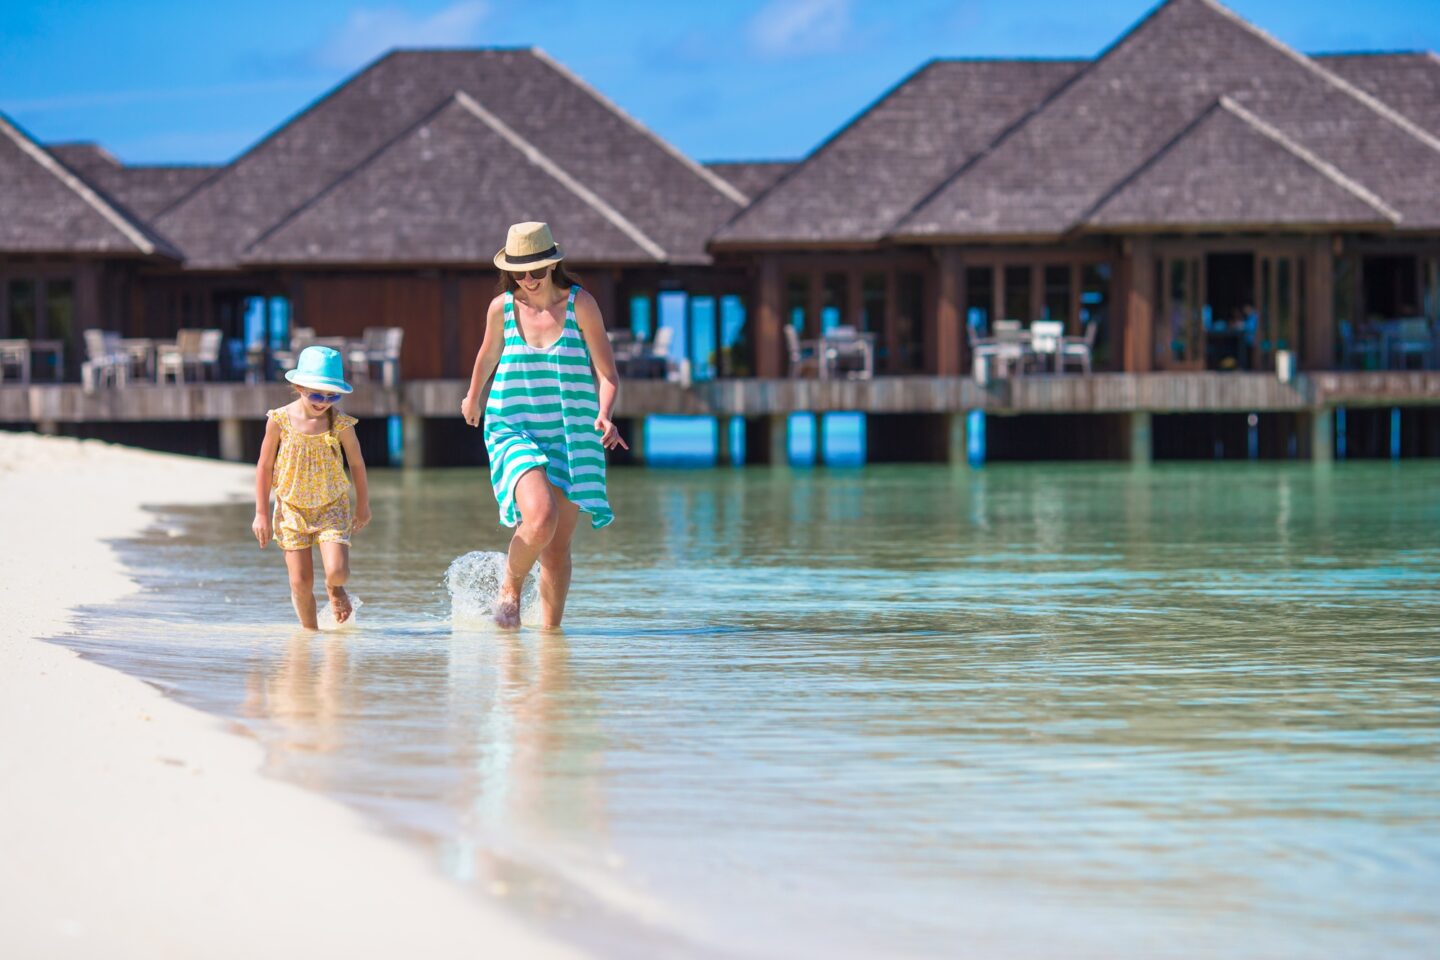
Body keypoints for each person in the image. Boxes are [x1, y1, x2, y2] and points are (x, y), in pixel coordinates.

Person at [461, 222, 628, 629]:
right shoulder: (502, 307)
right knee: (540, 518)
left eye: (536, 271)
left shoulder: (580, 305)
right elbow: (487, 356)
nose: (528, 280)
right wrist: (472, 395)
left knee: (556, 552)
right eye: (519, 272)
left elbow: (607, 374)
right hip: (512, 425)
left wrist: (604, 414)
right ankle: (510, 587)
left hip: (571, 434)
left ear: (553, 265)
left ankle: (552, 643)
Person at [252, 345, 371, 628]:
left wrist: (363, 504)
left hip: (331, 506)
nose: (323, 401)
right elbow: (265, 465)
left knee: (338, 571)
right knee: (301, 582)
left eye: (332, 395)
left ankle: (335, 589)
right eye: (317, 394)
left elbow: (357, 464)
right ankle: (310, 637)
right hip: (292, 510)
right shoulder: (279, 420)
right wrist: (261, 513)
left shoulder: (341, 424)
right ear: (298, 386)